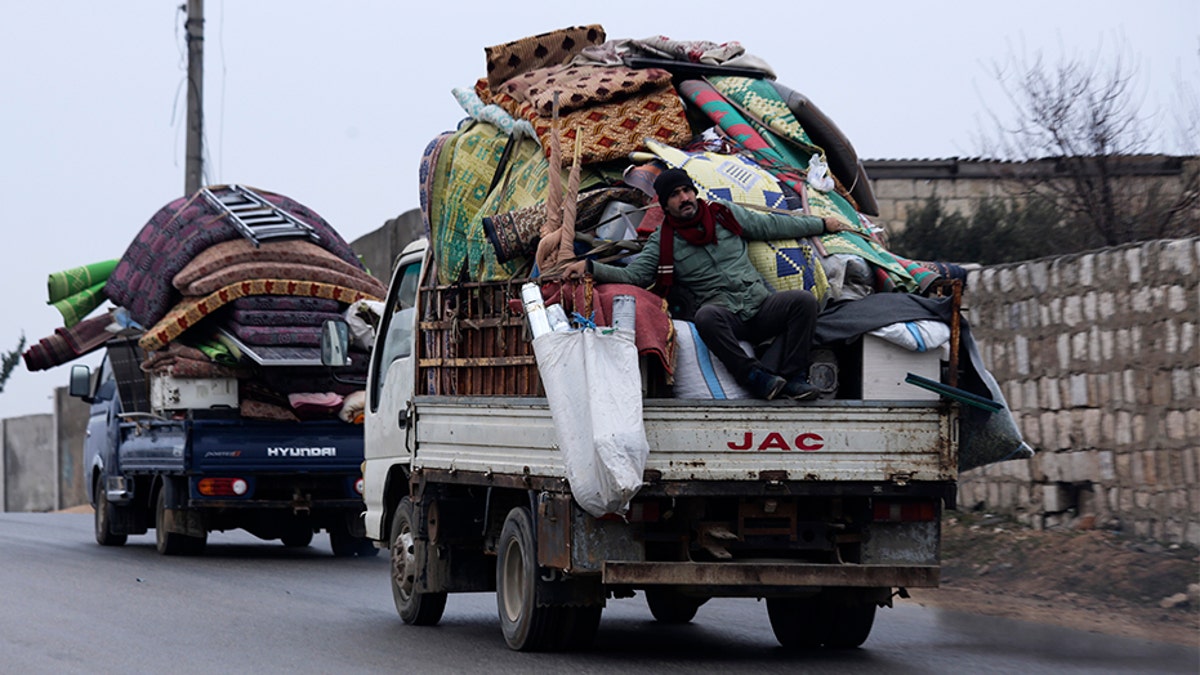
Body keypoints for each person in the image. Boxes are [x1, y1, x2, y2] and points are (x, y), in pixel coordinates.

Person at [567, 168, 852, 400]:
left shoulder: (723, 215)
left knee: (802, 301)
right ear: (665, 204)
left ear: (695, 191)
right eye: (675, 195)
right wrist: (591, 267)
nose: (684, 198)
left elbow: (772, 226)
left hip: (761, 305)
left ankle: (795, 377)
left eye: (687, 190)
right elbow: (635, 277)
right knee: (706, 317)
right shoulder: (663, 240)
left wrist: (822, 224)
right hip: (726, 316)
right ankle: (755, 378)